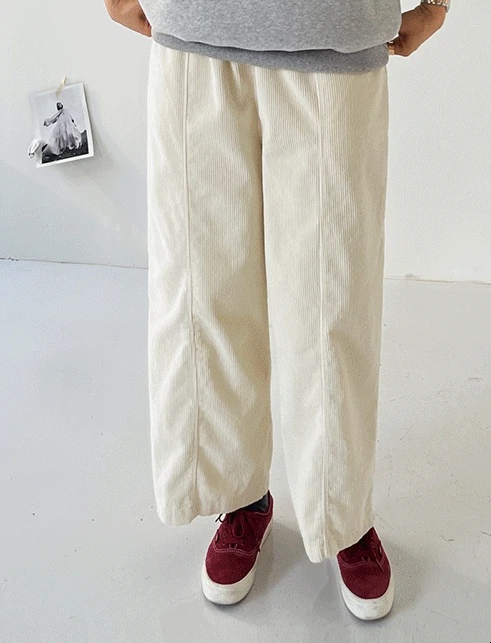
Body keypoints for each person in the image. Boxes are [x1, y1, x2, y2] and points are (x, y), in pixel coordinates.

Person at [104, 0, 449, 621]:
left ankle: (342, 515)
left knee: (332, 303)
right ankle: (238, 496)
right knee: (203, 290)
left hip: (335, 31)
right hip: (193, 30)